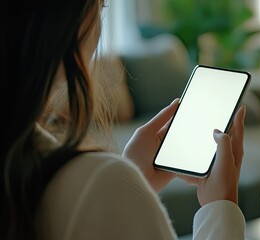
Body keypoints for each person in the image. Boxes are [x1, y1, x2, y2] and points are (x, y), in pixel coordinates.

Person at [1, 0, 247, 239]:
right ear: (71, 21)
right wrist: (220, 209)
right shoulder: (97, 181)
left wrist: (132, 185)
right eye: (101, 6)